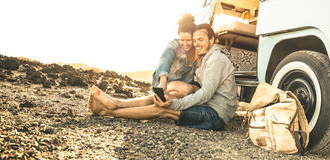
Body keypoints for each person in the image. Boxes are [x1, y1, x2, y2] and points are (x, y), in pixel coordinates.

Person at [87, 23, 238, 131]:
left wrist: (176, 104)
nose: (196, 44)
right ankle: (116, 103)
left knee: (163, 109)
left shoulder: (216, 59)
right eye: (195, 40)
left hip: (216, 116)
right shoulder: (205, 59)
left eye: (201, 40)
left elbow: (206, 93)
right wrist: (175, 94)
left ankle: (108, 112)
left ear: (211, 40)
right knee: (162, 98)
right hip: (207, 107)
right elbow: (168, 59)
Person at [152, 13, 198, 98]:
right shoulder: (174, 45)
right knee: (186, 89)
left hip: (181, 85)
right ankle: (161, 96)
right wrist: (163, 80)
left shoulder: (197, 51)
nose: (185, 44)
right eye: (182, 40)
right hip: (165, 83)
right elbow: (165, 59)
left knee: (190, 90)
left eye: (188, 40)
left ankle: (163, 99)